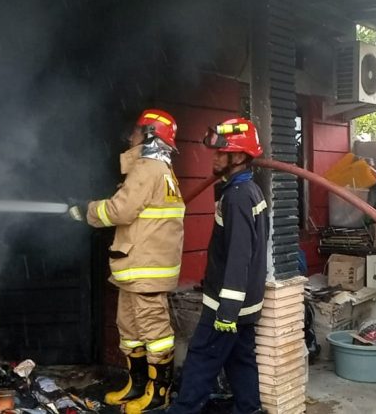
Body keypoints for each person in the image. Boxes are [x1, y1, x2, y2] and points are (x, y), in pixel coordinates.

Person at [69, 109, 185, 413]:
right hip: (139, 266)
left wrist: (87, 209)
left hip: (146, 268)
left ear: (149, 135)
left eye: (135, 131)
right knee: (131, 329)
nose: (129, 136)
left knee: (154, 333)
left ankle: (158, 394)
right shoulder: (160, 170)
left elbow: (120, 210)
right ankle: (137, 385)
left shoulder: (148, 168)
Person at [167, 117, 268, 414]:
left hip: (226, 305)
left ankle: (184, 410)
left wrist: (227, 311)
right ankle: (249, 409)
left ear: (239, 157)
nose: (214, 157)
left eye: (222, 153)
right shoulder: (248, 190)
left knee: (201, 360)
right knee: (240, 360)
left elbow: (239, 255)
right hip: (245, 303)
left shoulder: (237, 198)